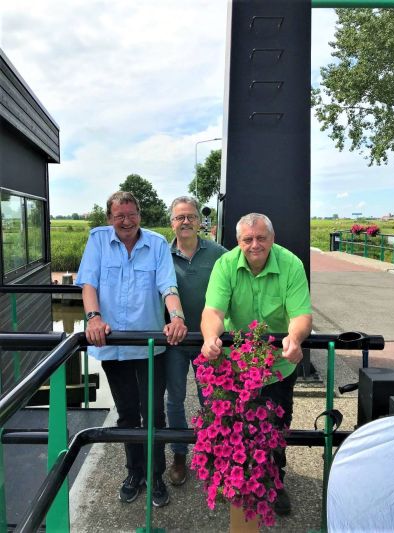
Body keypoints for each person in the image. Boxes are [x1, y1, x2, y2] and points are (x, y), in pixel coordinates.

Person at [75, 191, 187, 508]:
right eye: (119, 216)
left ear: (140, 213)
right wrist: (94, 318)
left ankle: (155, 475)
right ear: (109, 218)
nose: (126, 221)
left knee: (153, 412)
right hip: (114, 346)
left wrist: (177, 317)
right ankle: (134, 473)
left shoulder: (156, 244)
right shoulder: (98, 240)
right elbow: (89, 284)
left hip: (149, 346)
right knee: (126, 414)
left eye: (132, 214)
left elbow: (168, 286)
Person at [200, 213, 312, 516]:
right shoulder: (225, 265)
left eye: (261, 238)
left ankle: (276, 481)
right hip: (236, 366)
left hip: (278, 365)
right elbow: (213, 311)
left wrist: (294, 338)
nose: (255, 245)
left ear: (272, 239)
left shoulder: (291, 264)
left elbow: (301, 314)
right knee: (236, 428)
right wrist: (210, 338)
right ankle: (238, 482)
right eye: (247, 239)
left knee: (277, 425)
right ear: (238, 241)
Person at [165, 196, 227, 486]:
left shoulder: (218, 253)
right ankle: (179, 454)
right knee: (174, 399)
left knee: (211, 399)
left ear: (200, 221)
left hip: (207, 342)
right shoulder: (162, 255)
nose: (186, 221)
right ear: (172, 223)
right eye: (180, 217)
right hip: (175, 343)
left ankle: (212, 451)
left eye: (191, 216)